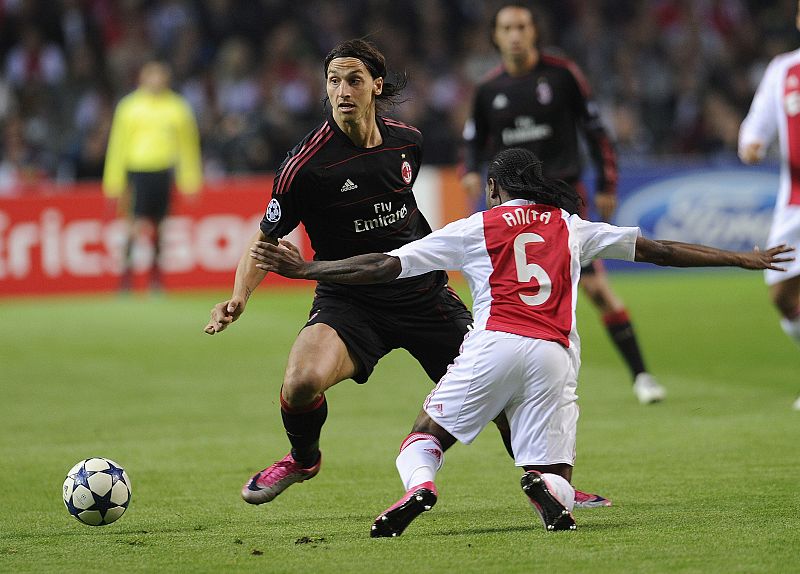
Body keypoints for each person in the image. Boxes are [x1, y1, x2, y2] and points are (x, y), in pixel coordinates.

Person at [250, 148, 793, 534]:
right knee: (555, 473)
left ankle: (421, 486)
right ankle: (546, 489)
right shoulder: (570, 224)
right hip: (555, 355)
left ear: (493, 188)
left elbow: (384, 265)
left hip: (493, 345)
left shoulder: (476, 226)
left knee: (423, 438)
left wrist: (309, 269)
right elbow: (658, 250)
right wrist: (740, 257)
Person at [202, 39, 606, 508]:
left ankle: (553, 486)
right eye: (333, 81)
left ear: (376, 85)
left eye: (353, 80)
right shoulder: (306, 166)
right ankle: (302, 458)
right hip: (349, 300)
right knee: (300, 382)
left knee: (505, 395)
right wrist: (239, 298)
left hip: (423, 296)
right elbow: (264, 239)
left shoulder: (406, 141)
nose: (342, 91)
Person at [461, 3, 666, 405]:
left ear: (534, 31)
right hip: (513, 207)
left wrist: (608, 182)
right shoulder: (488, 90)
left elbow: (596, 131)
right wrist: (469, 169)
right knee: (504, 292)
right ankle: (501, 380)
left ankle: (642, 375)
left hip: (562, 200)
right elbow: (472, 140)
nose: (515, 34)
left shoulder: (562, 74)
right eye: (507, 28)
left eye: (522, 26)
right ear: (496, 37)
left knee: (596, 288)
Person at [738, 0, 800, 411]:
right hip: (795, 202)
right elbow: (751, 131)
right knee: (780, 292)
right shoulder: (783, 70)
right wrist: (752, 145)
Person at [103, 60, 202, 291]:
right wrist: (113, 184)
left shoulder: (177, 107)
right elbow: (117, 146)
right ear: (142, 78)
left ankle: (156, 277)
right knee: (133, 224)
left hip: (163, 172)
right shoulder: (129, 107)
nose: (156, 81)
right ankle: (126, 276)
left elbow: (188, 147)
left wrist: (190, 181)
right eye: (151, 76)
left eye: (160, 76)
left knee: (160, 226)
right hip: (137, 171)